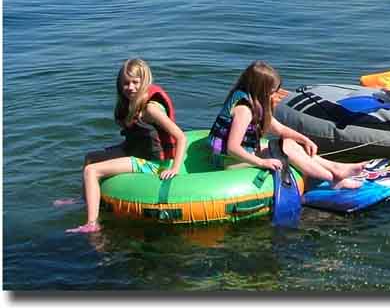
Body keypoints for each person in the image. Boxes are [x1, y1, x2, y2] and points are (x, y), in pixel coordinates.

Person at [66, 59, 187, 233]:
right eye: (125, 83)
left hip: (153, 164)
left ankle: (92, 224)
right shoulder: (131, 103)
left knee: (91, 171)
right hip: (135, 151)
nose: (130, 87)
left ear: (144, 81)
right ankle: (83, 199)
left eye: (135, 82)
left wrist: (174, 168)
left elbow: (180, 137)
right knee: (90, 158)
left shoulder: (151, 109)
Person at [209, 60, 366, 189]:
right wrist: (262, 162)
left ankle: (336, 168)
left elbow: (278, 128)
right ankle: (334, 180)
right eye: (271, 92)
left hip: (243, 155)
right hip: (231, 161)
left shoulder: (252, 101)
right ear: (260, 89)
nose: (274, 95)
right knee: (287, 151)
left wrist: (305, 140)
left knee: (289, 143)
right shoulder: (244, 109)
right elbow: (232, 148)